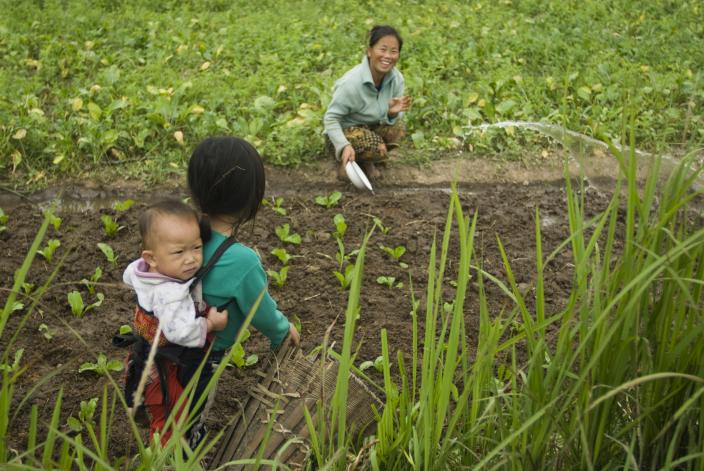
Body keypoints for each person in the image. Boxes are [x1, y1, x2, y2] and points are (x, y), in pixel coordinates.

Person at [184, 135, 301, 444]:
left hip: (162, 341)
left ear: (194, 190)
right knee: (191, 421)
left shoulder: (176, 236)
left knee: (167, 409)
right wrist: (282, 330)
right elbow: (260, 310)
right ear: (251, 200)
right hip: (202, 358)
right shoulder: (242, 261)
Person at [121, 198, 228, 444]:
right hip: (167, 365)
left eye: (197, 248)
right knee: (174, 417)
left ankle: (141, 404)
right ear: (152, 257)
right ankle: (166, 458)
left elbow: (129, 276)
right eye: (179, 252)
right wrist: (211, 324)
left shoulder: (141, 271)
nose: (190, 259)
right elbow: (181, 332)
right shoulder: (170, 294)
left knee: (152, 395)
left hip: (145, 353)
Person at [324, 24, 412, 181]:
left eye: (393, 51)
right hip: (343, 132)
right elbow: (330, 119)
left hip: (370, 128)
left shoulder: (396, 79)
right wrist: (343, 145)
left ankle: (366, 161)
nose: (388, 56)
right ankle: (347, 161)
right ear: (370, 51)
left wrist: (391, 113)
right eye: (382, 49)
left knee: (398, 129)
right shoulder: (351, 83)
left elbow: (390, 119)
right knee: (376, 147)